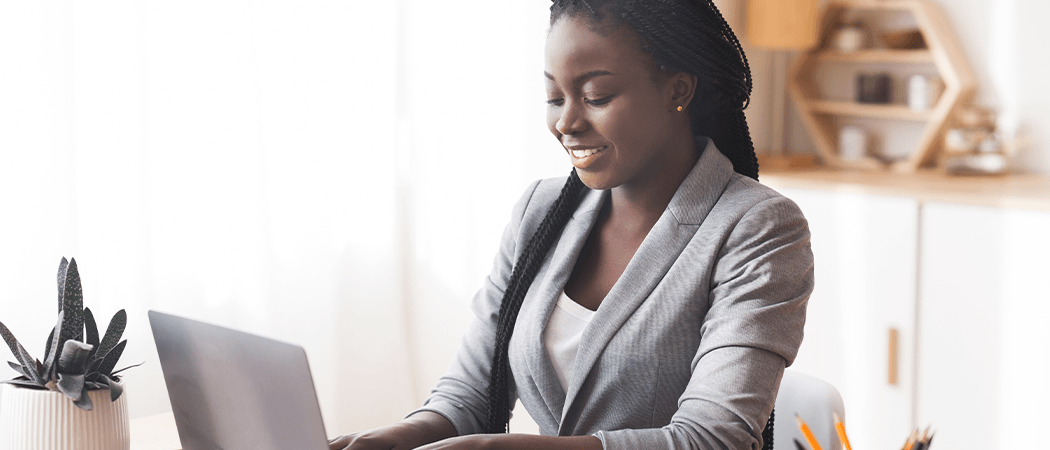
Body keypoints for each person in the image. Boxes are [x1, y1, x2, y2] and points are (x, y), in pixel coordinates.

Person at [329, 0, 813, 448]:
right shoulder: (540, 211)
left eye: (596, 95)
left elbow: (711, 439)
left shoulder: (756, 228)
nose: (567, 122)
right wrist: (393, 439)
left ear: (677, 90)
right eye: (554, 97)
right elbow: (471, 396)